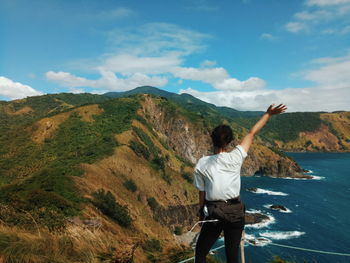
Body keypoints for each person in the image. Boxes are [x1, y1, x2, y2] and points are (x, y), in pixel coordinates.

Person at [193, 104, 287, 263]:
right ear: (230, 141)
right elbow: (252, 133)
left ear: (212, 139)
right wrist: (268, 114)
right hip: (235, 212)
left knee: (200, 253)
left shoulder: (202, 163)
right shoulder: (236, 156)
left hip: (214, 213)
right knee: (232, 255)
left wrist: (201, 212)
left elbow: (202, 193)